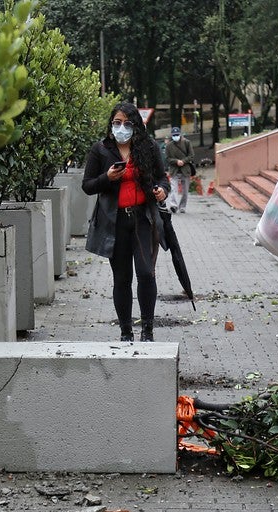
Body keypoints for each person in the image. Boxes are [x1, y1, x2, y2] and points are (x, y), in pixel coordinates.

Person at [82, 102, 171, 342]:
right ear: (111, 125)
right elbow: (88, 185)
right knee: (122, 278)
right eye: (117, 123)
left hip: (143, 219)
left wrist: (162, 190)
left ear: (136, 126)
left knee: (146, 273)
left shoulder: (148, 147)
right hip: (115, 222)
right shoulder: (100, 150)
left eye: (127, 124)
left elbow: (163, 178)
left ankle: (147, 331)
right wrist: (107, 178)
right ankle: (126, 332)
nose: (121, 128)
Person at [164, 126, 195, 213]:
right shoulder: (169, 146)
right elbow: (167, 158)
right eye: (174, 135)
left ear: (180, 134)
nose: (176, 136)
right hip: (174, 170)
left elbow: (191, 155)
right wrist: (176, 161)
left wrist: (183, 161)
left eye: (177, 134)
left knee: (185, 191)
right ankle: (173, 205)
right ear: (172, 135)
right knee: (174, 189)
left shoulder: (187, 143)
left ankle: (182, 206)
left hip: (185, 170)